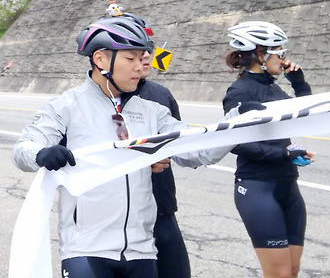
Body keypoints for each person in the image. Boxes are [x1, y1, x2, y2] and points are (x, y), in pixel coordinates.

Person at [13, 16, 219, 278]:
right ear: (100, 59)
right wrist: (41, 154)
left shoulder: (153, 112)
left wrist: (244, 124)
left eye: (142, 58)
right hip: (86, 249)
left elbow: (197, 150)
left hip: (141, 250)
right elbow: (23, 148)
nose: (140, 66)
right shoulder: (66, 106)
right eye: (130, 58)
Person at [222, 21, 314, 278]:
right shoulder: (240, 90)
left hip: (287, 184)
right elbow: (235, 142)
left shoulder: (273, 87)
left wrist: (299, 84)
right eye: (279, 53)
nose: (284, 58)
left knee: (292, 271)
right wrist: (284, 154)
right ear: (260, 55)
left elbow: (306, 118)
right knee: (279, 274)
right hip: (257, 187)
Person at [108, 5, 190, 278]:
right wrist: (138, 160)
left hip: (162, 208)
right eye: (132, 52)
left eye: (147, 50)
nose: (144, 57)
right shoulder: (91, 101)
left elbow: (182, 145)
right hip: (116, 219)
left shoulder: (161, 95)